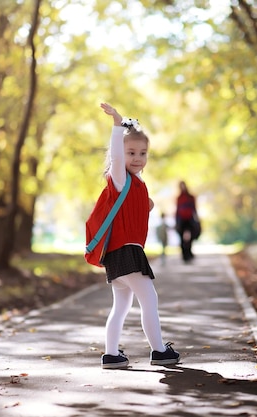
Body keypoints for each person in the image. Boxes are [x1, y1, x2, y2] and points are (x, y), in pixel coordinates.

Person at [97, 102, 179, 369]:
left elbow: (140, 204)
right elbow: (118, 159)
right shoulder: (119, 178)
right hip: (126, 252)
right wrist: (117, 125)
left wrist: (148, 203)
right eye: (131, 152)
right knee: (149, 299)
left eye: (143, 153)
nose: (137, 157)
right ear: (120, 154)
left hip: (118, 255)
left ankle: (111, 354)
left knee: (121, 306)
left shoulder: (137, 184)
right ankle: (158, 350)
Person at [175, 180, 199, 263]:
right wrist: (176, 221)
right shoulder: (179, 198)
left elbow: (194, 209)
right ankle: (184, 255)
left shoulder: (191, 197)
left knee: (190, 237)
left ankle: (189, 253)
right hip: (181, 219)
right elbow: (177, 210)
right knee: (182, 237)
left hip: (190, 219)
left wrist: (197, 219)